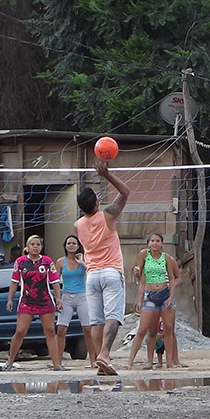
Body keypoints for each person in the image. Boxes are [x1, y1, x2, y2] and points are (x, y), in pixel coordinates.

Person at [75, 158, 130, 376]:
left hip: (91, 275)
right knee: (114, 316)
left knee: (96, 320)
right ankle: (105, 355)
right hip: (110, 272)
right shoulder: (108, 216)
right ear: (96, 203)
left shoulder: (78, 225)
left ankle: (99, 359)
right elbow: (125, 192)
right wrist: (106, 174)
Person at [4, 235, 64, 371]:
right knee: (20, 331)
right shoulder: (20, 262)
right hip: (27, 301)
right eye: (33, 244)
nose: (36, 247)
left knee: (49, 331)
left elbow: (54, 281)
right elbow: (14, 281)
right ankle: (10, 361)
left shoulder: (47, 262)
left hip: (45, 300)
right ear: (28, 246)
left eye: (38, 244)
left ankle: (56, 364)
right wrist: (9, 299)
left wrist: (58, 298)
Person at [129, 233, 182, 368]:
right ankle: (141, 361)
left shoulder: (167, 258)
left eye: (157, 241)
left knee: (168, 329)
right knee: (147, 330)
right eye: (152, 241)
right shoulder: (144, 255)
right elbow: (140, 278)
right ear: (148, 243)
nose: (155, 243)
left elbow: (172, 278)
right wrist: (139, 300)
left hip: (164, 293)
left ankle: (170, 361)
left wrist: (171, 296)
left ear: (162, 243)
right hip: (150, 294)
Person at [55, 235, 87, 368]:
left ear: (78, 245)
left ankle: (93, 360)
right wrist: (58, 298)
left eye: (74, 243)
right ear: (65, 246)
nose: (71, 245)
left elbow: (92, 272)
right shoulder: (60, 262)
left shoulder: (84, 260)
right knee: (61, 329)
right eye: (69, 243)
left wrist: (82, 263)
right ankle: (58, 361)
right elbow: (55, 281)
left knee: (88, 329)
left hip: (82, 296)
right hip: (66, 297)